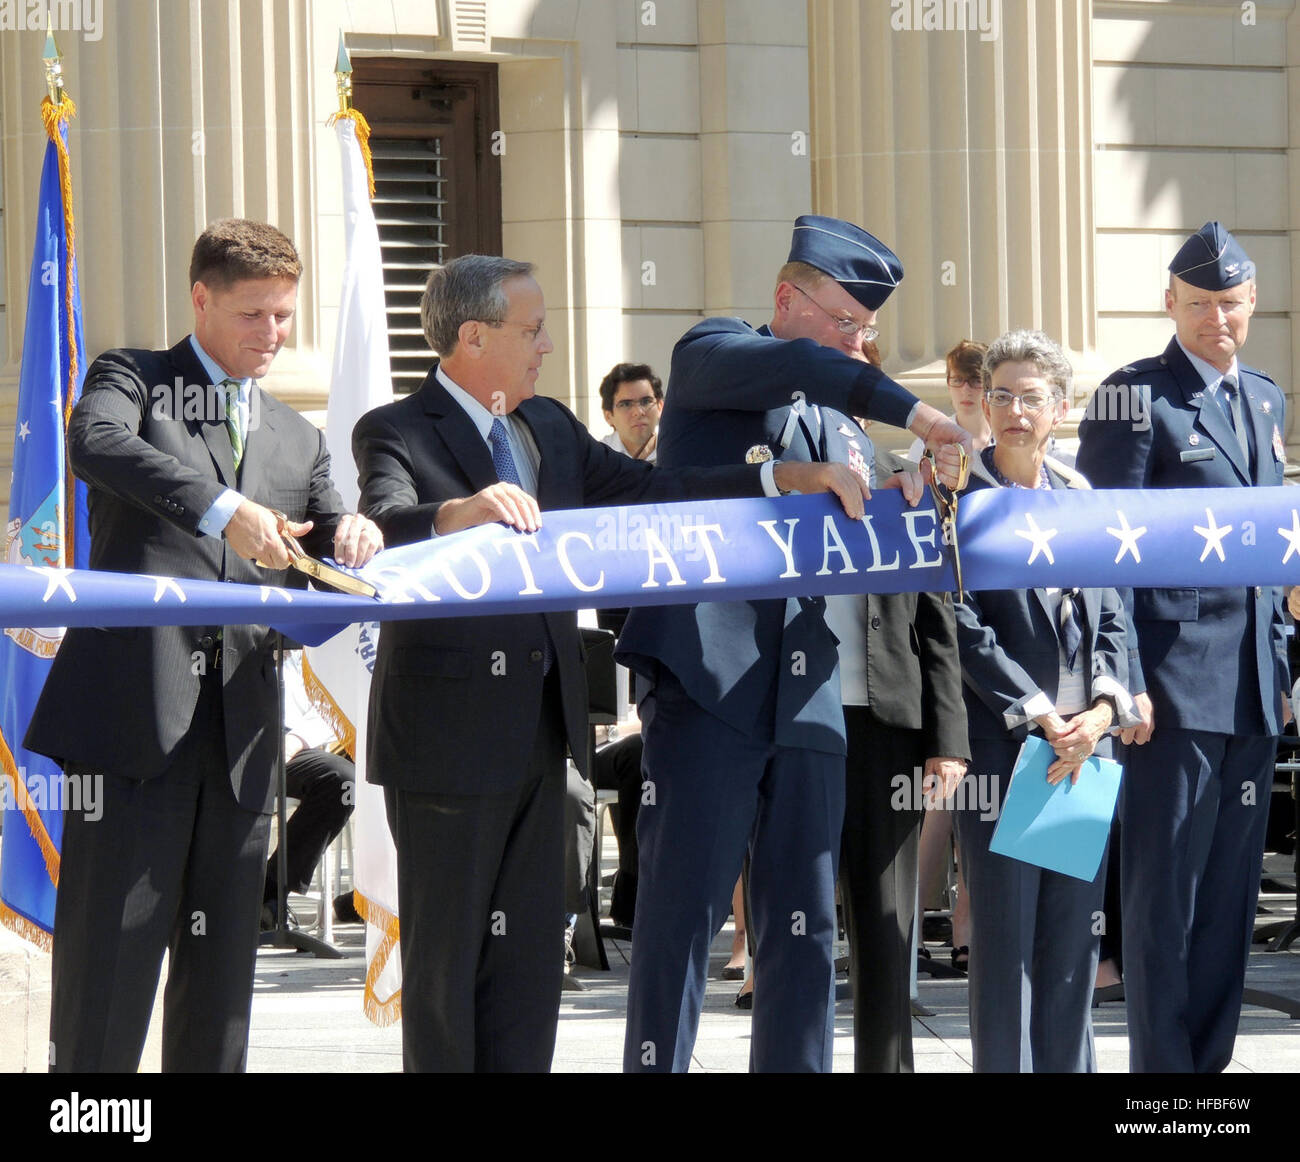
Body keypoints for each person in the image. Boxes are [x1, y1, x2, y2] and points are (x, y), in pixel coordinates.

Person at [351, 253, 868, 1073]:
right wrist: (461, 511)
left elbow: (655, 490)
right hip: (446, 746)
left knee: (529, 968)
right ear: (473, 336)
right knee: (448, 970)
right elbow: (383, 523)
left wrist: (778, 477)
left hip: (546, 738)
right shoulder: (397, 427)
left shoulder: (548, 425)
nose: (547, 345)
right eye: (532, 330)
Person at [25, 218, 383, 1072]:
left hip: (245, 744)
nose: (273, 335)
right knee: (107, 981)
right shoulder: (134, 380)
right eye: (255, 315)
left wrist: (358, 531)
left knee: (220, 991)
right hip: (133, 732)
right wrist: (225, 511)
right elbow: (96, 446)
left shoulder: (298, 436)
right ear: (201, 298)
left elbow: (329, 530)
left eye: (285, 317)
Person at [617, 214, 972, 1073]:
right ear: (787, 297)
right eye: (845, 322)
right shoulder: (714, 351)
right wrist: (924, 416)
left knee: (805, 931)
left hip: (812, 692)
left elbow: (875, 535)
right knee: (683, 919)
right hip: (713, 677)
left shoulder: (848, 429)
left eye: (867, 331)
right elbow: (805, 367)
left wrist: (914, 488)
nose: (857, 343)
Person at [1075, 221, 1290, 1073]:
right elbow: (1102, 553)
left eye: (1231, 304)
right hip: (1167, 689)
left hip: (1250, 689)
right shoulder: (1137, 398)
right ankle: (1164, 1083)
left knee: (1231, 901)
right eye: (1199, 305)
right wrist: (1121, 681)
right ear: (1170, 304)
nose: (1218, 320)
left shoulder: (1265, 398)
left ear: (1253, 304)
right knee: (1165, 896)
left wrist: (1280, 668)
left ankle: (1209, 1074)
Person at [955, 329, 1141, 1071]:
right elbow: (956, 621)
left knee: (1070, 948)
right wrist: (1037, 710)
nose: (1014, 411)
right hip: (1009, 750)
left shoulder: (1079, 497)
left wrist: (1101, 711)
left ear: (1059, 408)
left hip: (1078, 755)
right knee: (1004, 949)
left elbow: (1113, 614)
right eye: (1001, 396)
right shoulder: (963, 497)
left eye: (1031, 398)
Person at [260, 650, 356, 930]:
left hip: (296, 740)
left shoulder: (323, 634)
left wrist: (296, 740)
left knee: (343, 780)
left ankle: (272, 889)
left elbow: (334, 699)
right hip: (238, 735)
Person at [906, 339, 991, 463]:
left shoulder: (1007, 439)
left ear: (990, 385)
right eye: (957, 380)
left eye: (976, 380)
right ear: (948, 384)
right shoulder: (925, 446)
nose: (965, 390)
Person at [599, 361, 662, 461]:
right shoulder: (599, 459)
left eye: (646, 401)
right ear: (608, 416)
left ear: (660, 407)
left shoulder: (679, 448)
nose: (638, 412)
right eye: (626, 404)